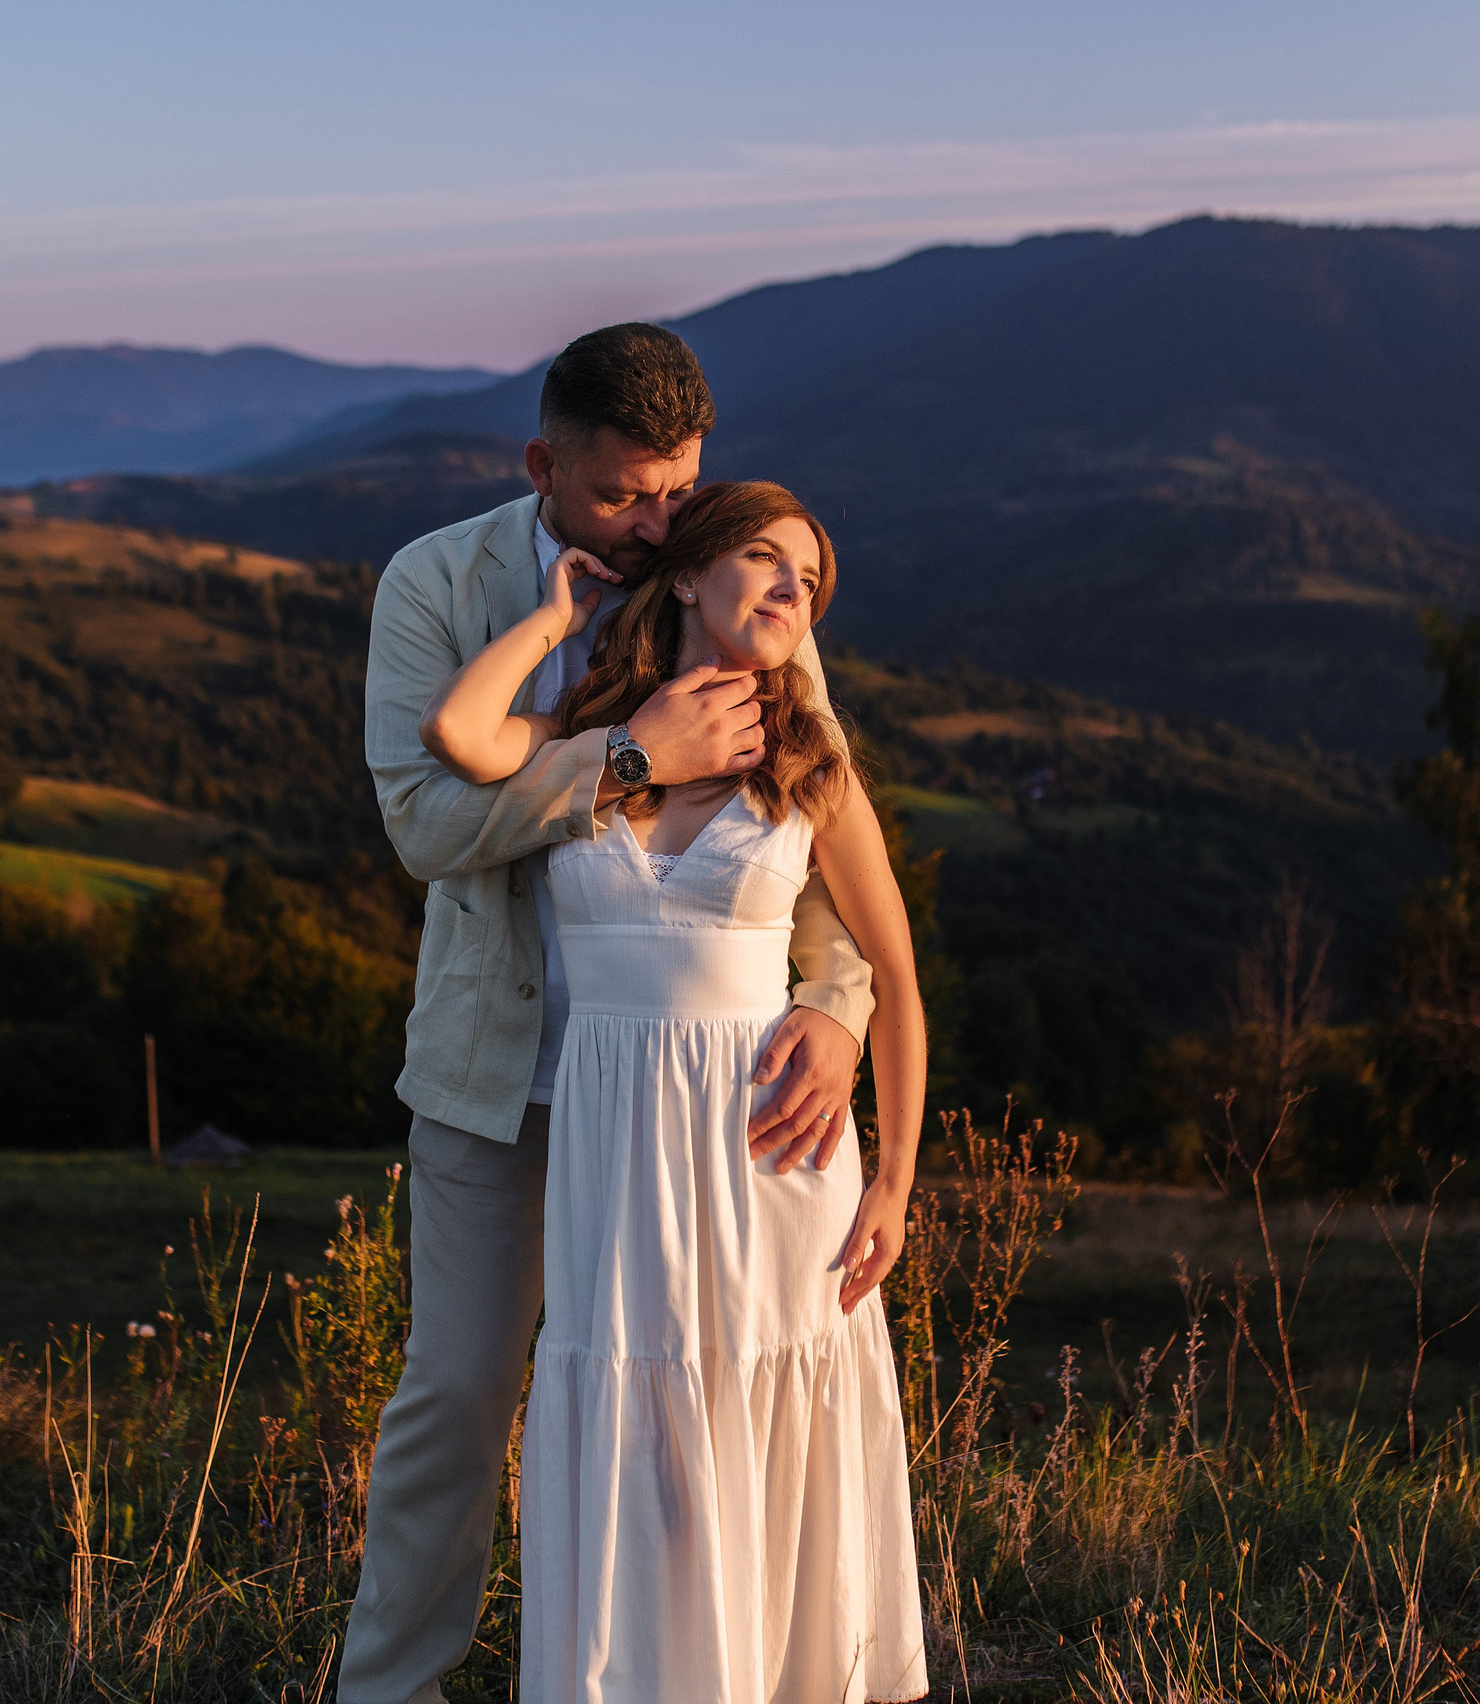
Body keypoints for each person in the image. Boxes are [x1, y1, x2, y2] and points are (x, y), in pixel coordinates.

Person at [344, 325, 879, 1704]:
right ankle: (388, 1691)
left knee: (691, 1399)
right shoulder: (435, 584)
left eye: (677, 489)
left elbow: (814, 818)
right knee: (458, 1402)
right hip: (500, 1075)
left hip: (708, 1103)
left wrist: (840, 1001)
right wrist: (631, 759)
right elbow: (424, 823)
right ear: (543, 466)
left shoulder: (728, 575)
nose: (659, 524)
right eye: (623, 496)